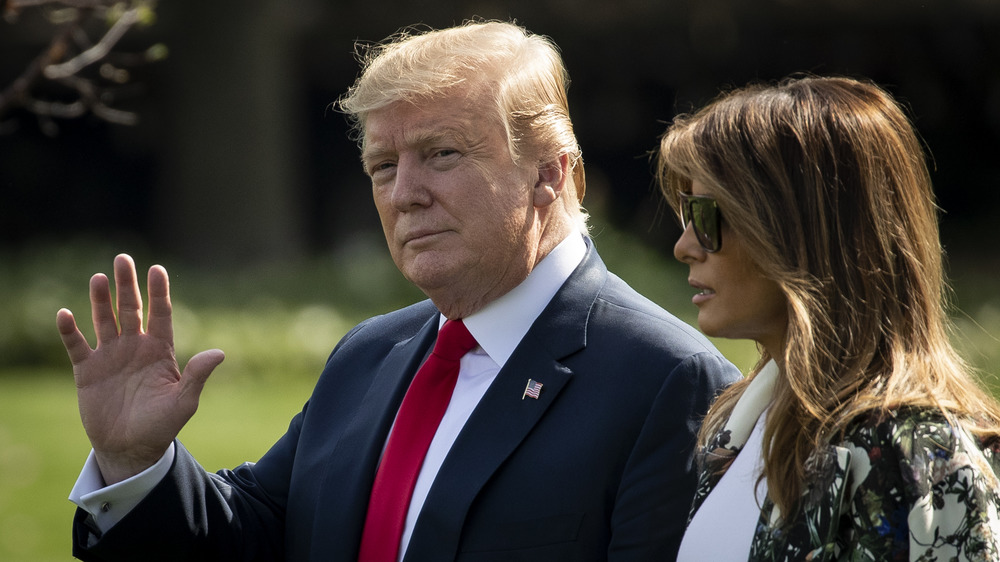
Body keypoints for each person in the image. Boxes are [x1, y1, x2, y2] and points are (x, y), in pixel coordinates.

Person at [58, 21, 741, 561]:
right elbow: (253, 539)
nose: (405, 194)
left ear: (550, 174)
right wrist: (135, 462)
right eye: (383, 165)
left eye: (442, 153)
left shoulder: (670, 381)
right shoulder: (368, 354)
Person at [657, 75, 1000, 561]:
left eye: (708, 215)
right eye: (685, 215)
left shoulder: (921, 455)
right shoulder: (740, 421)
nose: (684, 246)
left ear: (802, 236)